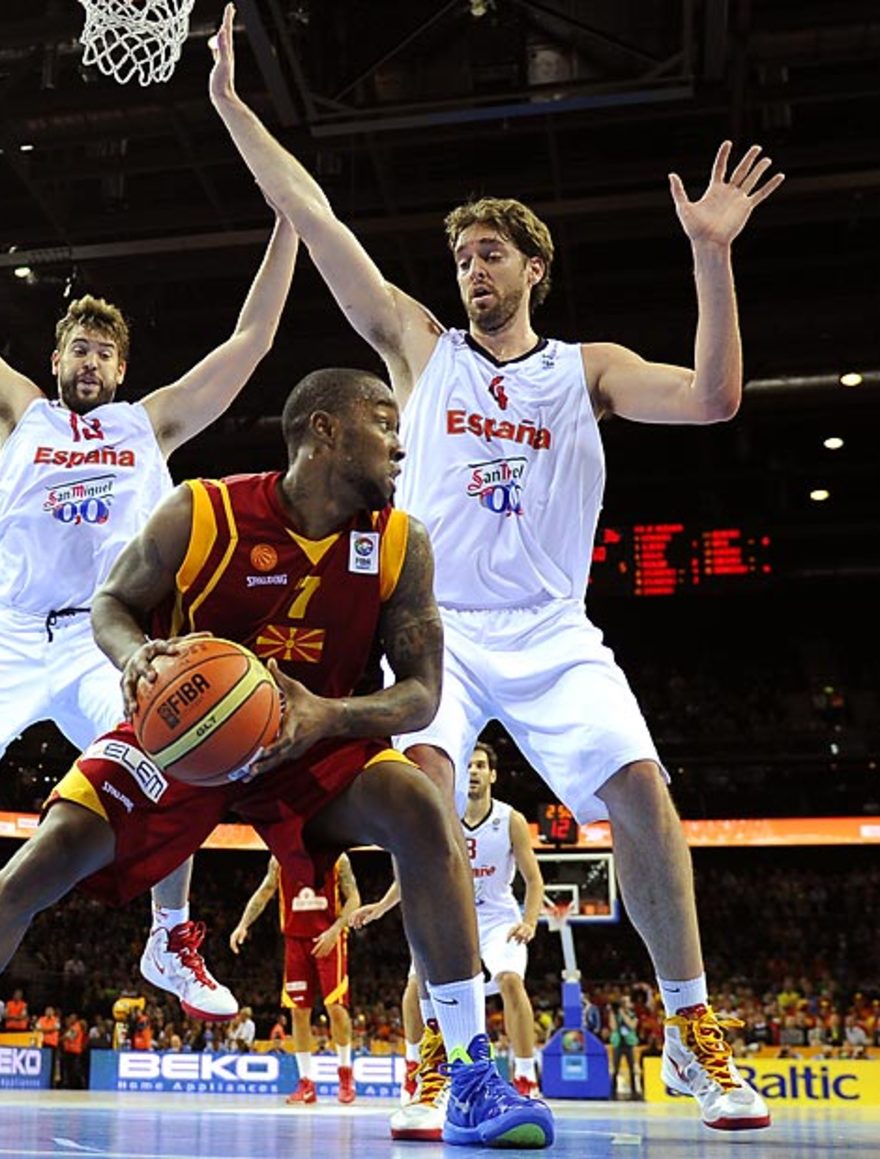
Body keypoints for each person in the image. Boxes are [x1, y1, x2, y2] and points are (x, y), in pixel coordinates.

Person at [207, 2, 779, 1135]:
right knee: (418, 804)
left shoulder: (588, 368)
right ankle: (445, 1049)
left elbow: (715, 398)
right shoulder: (420, 348)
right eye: (461, 255)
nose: (470, 268)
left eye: (489, 253)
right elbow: (313, 218)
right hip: (434, 628)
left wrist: (711, 258)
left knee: (643, 797)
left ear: (534, 266)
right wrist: (233, 107)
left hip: (553, 626)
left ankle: (692, 1026)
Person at [0, 368, 553, 1149]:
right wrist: (134, 657)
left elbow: (423, 696)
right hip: (186, 732)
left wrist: (328, 714)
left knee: (419, 804)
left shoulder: (402, 540)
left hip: (311, 737)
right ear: (324, 431)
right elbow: (111, 603)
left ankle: (468, 1073)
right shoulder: (204, 510)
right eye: (383, 421)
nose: (401, 444)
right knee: (44, 858)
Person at [0, 161, 300, 1093]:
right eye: (78, 348)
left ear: (121, 368)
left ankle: (170, 939)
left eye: (105, 353)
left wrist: (289, 226)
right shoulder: (17, 412)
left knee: (181, 748)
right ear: (60, 354)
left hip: (100, 638)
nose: (90, 363)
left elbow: (252, 339)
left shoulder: (151, 424)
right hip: (5, 630)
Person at [354, 740, 545, 1112]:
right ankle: (416, 1068)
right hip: (450, 914)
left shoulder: (511, 820)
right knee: (414, 986)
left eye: (480, 766)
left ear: (492, 774)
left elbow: (534, 880)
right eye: (468, 766)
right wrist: (381, 906)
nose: (473, 771)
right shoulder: (443, 815)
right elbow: (412, 874)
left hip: (497, 919)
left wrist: (530, 921)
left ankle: (525, 1075)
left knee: (509, 980)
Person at [230, 853, 360, 1104]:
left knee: (335, 1007)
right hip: (295, 941)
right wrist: (243, 924)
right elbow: (264, 891)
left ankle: (345, 1074)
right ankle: (306, 1082)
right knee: (298, 1011)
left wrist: (336, 930)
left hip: (329, 939)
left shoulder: (337, 858)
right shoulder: (279, 859)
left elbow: (354, 897)